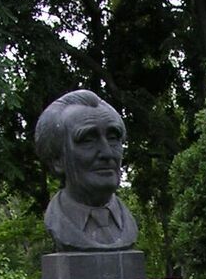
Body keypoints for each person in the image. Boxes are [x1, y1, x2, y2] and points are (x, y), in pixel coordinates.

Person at [34, 90, 139, 251]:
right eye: (88, 140)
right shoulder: (57, 222)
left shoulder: (128, 224)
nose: (107, 153)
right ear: (57, 160)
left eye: (113, 138)